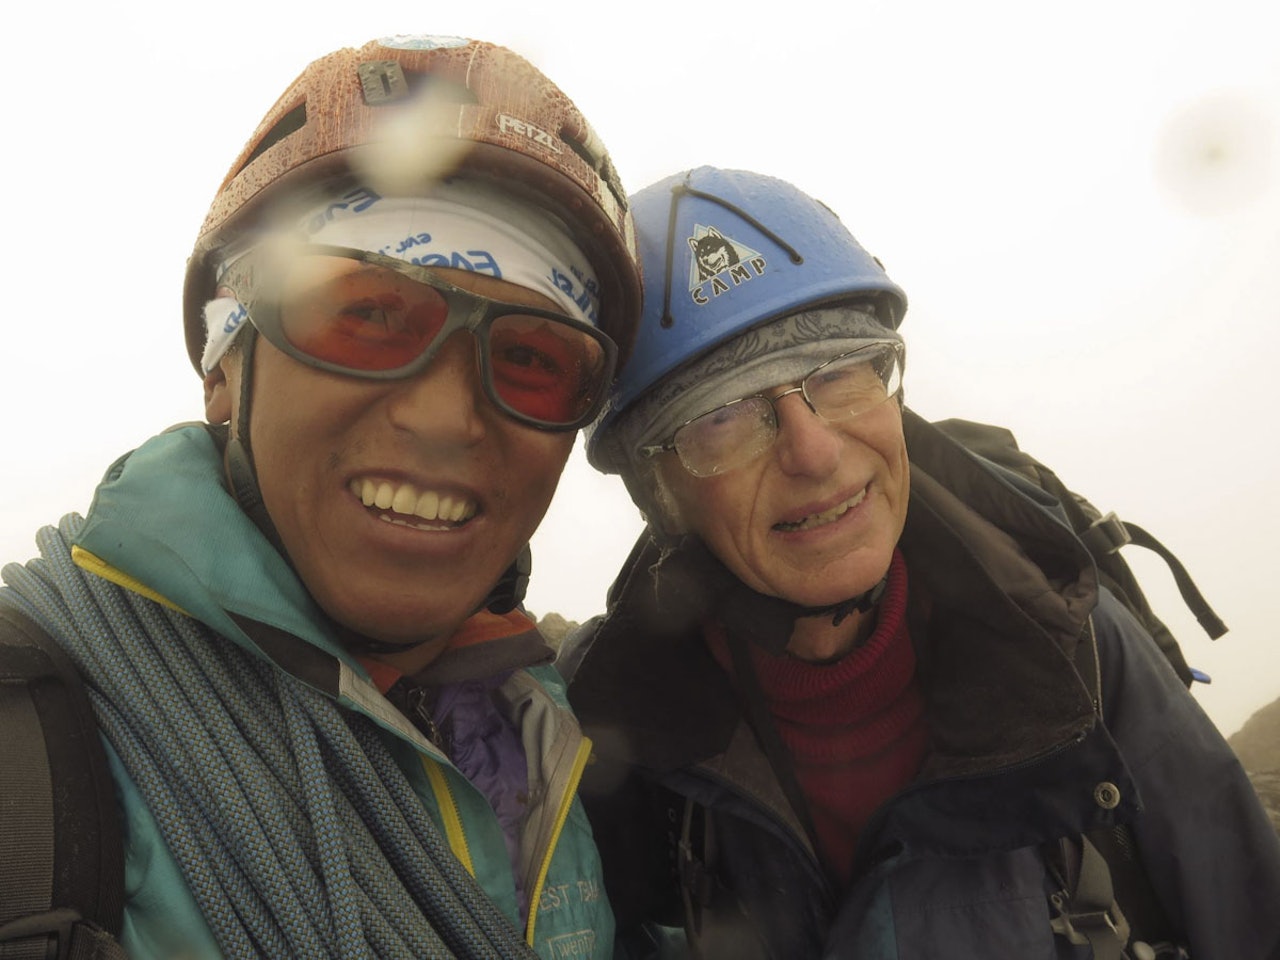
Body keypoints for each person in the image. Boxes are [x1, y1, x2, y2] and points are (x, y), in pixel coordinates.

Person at [0, 35, 640, 960]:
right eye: (368, 314)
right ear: (226, 365)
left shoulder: (553, 745)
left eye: (534, 362)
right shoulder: (28, 756)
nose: (443, 416)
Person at [560, 166, 1280, 959]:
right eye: (720, 416)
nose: (815, 451)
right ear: (658, 494)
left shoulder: (1070, 643)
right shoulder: (610, 730)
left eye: (837, 373)